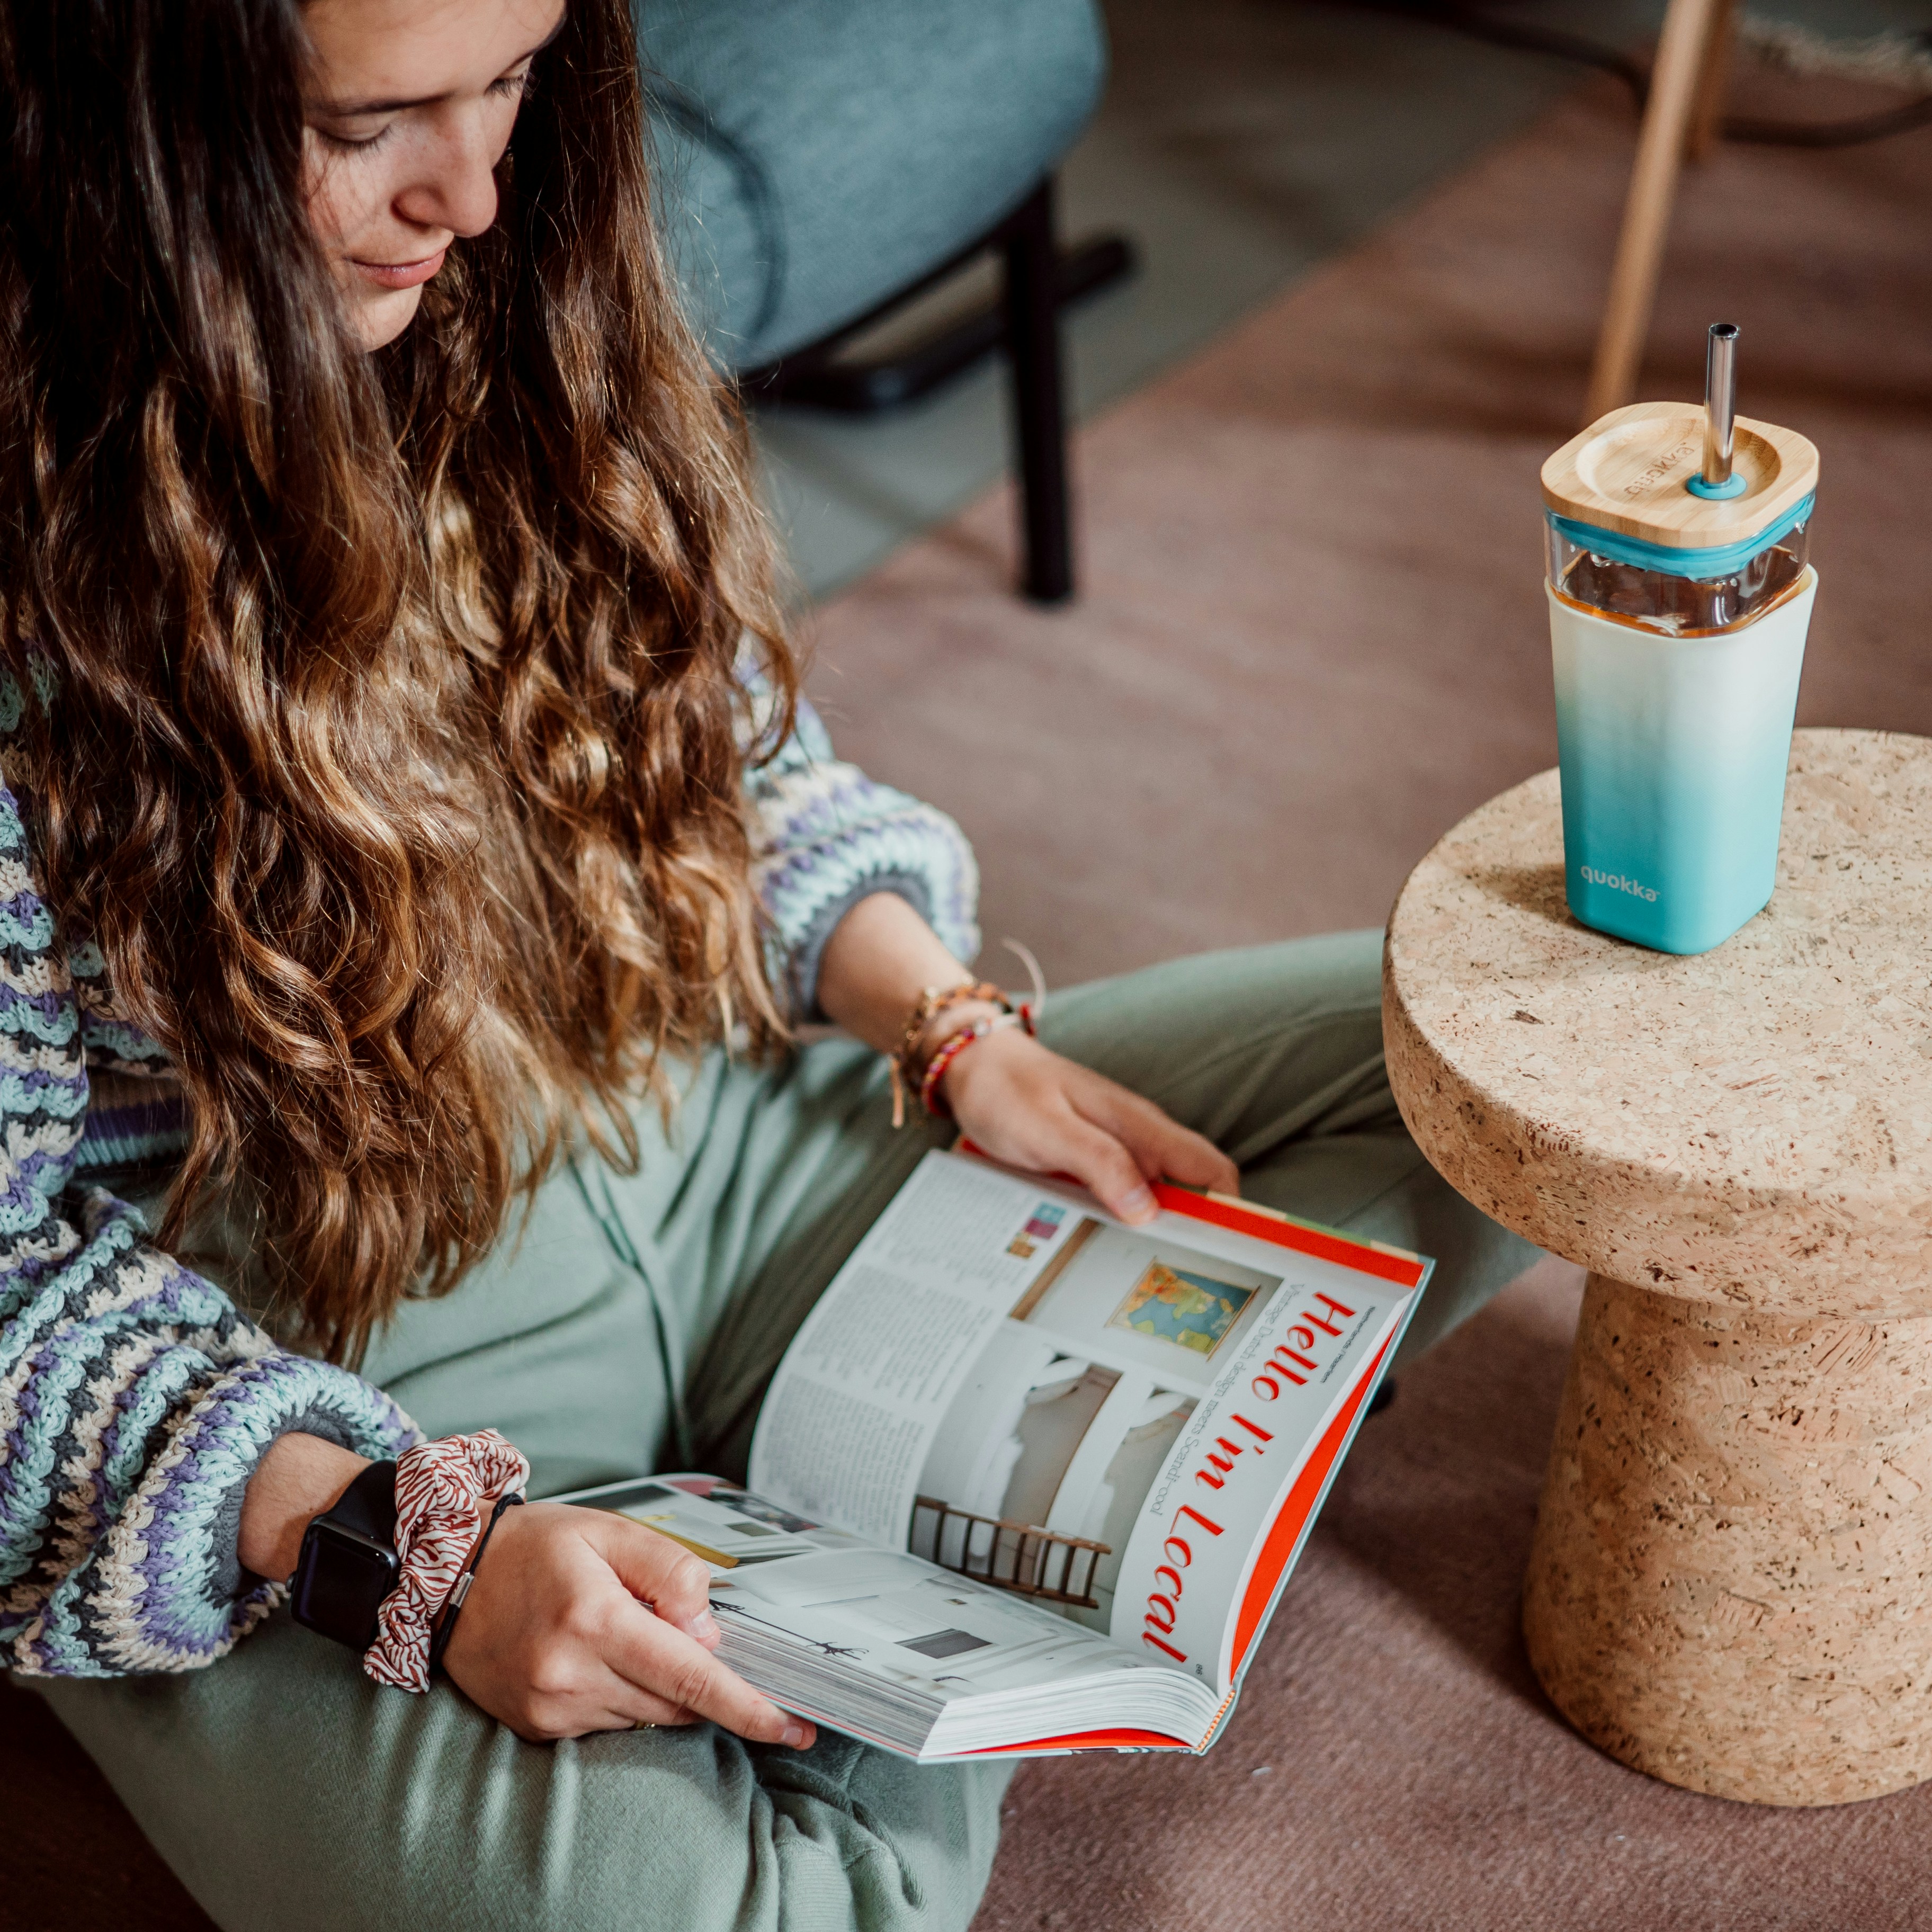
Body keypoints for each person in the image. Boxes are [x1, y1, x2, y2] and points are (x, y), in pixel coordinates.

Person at [0, 0, 1534, 1926]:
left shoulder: (505, 294)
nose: (468, 194)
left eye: (511, 81)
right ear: (117, 121)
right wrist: (416, 1557)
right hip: (318, 1387)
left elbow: (710, 754)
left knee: (1498, 1069)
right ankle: (926, 1589)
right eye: (370, 119)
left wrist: (951, 1025)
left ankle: (870, 1564)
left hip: (720, 1143)